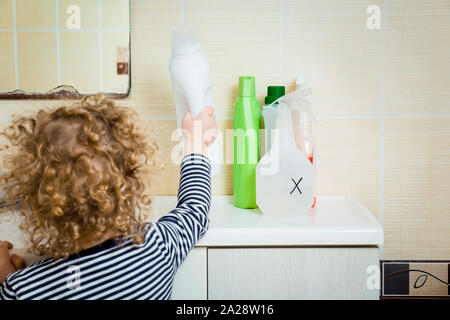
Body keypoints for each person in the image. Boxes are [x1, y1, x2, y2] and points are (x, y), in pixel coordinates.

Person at [0, 94, 217, 300]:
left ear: (41, 202)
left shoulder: (25, 288)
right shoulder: (157, 247)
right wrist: (195, 142)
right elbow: (194, 209)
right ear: (129, 183)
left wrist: (6, 280)